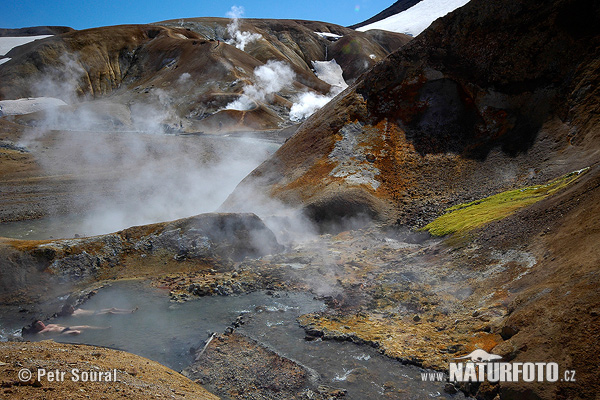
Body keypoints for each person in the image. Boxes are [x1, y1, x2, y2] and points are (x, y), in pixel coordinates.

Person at [22, 320, 109, 336]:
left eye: (41, 322)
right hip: (61, 334)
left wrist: (69, 325)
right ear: (36, 327)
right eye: (39, 324)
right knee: (76, 332)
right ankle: (93, 334)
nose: (41, 324)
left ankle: (102, 329)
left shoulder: (50, 325)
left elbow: (61, 324)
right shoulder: (40, 333)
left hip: (66, 328)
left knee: (85, 326)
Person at [58, 304, 137, 317]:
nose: (72, 308)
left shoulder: (78, 309)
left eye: (72, 307)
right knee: (110, 312)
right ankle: (129, 314)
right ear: (67, 311)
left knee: (113, 308)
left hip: (96, 311)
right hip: (94, 316)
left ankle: (130, 310)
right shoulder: (73, 315)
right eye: (70, 308)